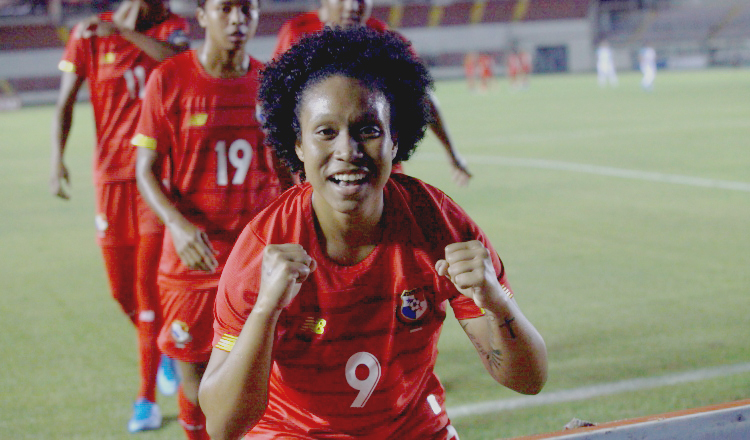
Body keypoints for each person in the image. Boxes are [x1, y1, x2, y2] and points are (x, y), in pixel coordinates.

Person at [198, 27, 548, 440]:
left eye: (368, 129)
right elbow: (222, 426)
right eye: (326, 132)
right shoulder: (265, 247)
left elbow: (529, 379)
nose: (347, 150)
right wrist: (265, 312)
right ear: (297, 146)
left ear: (395, 140)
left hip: (414, 430)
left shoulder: (438, 223)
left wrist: (493, 301)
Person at [132, 0, 293, 437]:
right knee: (195, 378)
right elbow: (144, 169)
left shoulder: (270, 85)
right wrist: (177, 224)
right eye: (225, 9)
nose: (238, 19)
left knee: (266, 374)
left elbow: (288, 171)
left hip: (258, 261)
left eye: (248, 9)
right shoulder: (169, 79)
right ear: (201, 16)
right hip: (192, 263)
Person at [49, 0, 188, 432]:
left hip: (156, 180)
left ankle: (145, 400)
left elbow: (182, 64)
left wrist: (124, 36)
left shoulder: (172, 28)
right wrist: (58, 160)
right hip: (109, 180)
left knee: (148, 294)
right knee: (121, 292)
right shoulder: (87, 35)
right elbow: (67, 100)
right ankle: (162, 348)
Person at [272, 0, 472, 187]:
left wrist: (453, 155)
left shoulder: (384, 38)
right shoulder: (296, 33)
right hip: (320, 178)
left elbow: (423, 98)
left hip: (380, 177)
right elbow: (276, 109)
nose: (352, 6)